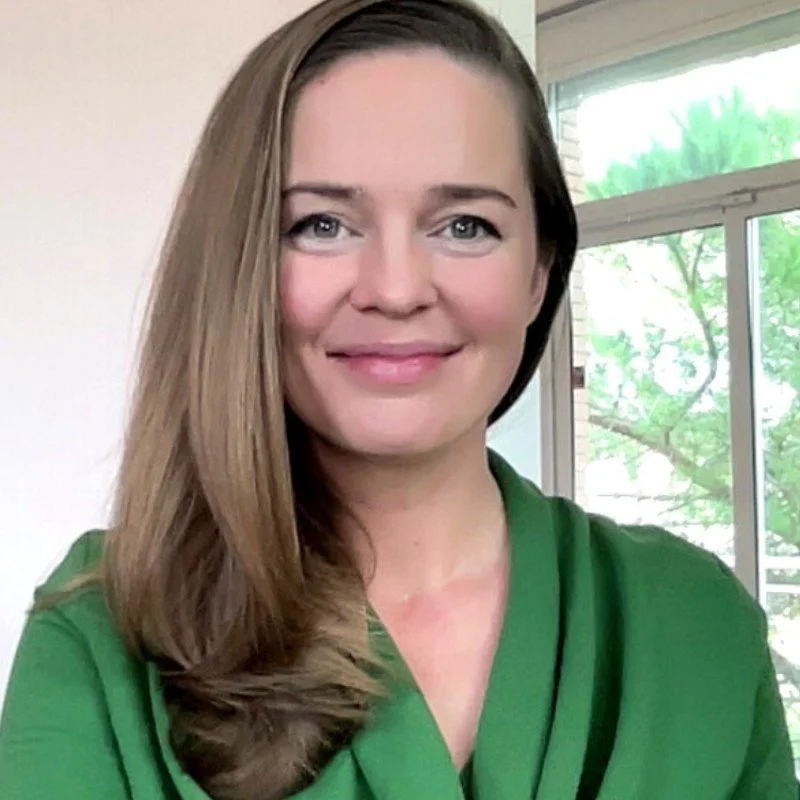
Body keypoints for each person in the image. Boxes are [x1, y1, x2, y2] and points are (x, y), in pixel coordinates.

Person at [0, 0, 797, 797]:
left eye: (463, 227)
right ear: (238, 270)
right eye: (319, 224)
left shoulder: (696, 626)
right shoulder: (104, 633)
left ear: (540, 273)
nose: (395, 289)